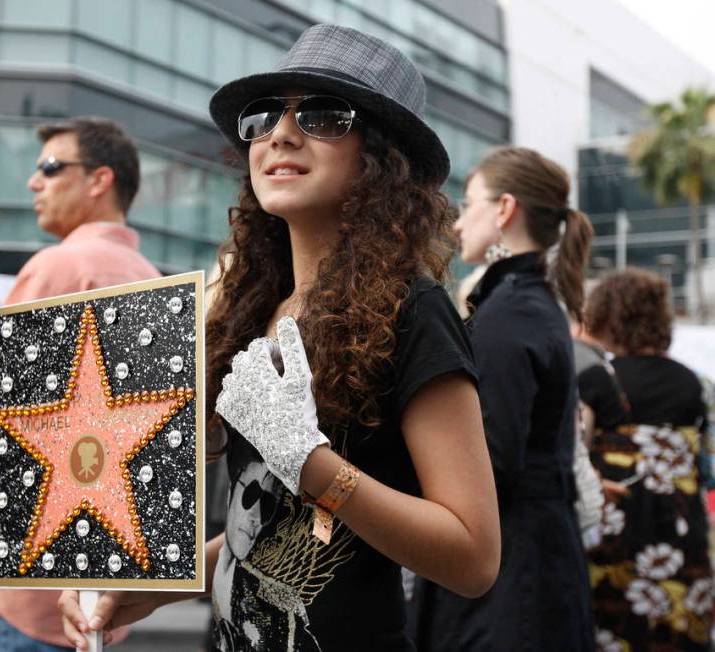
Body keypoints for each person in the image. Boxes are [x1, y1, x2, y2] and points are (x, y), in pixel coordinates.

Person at [59, 24, 501, 651]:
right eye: (265, 117)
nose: (281, 134)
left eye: (323, 115)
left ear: (382, 156)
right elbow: (274, 520)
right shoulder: (256, 306)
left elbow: (474, 557)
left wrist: (313, 463)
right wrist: (158, 584)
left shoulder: (414, 310)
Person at [0, 116, 160, 650]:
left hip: (25, 573)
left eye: (51, 168)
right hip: (100, 562)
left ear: (100, 180)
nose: (34, 182)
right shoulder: (150, 277)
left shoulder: (60, 267)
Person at [414, 147, 597, 650]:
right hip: (529, 563)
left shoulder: (511, 310)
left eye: (469, 203)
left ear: (504, 209)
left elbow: (489, 462)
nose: (456, 224)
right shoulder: (530, 301)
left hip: (507, 580)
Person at [579, 268, 712, 650]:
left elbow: (576, 457)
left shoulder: (597, 380)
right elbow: (708, 468)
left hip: (615, 532)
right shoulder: (697, 384)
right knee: (679, 631)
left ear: (608, 317)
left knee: (616, 632)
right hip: (682, 530)